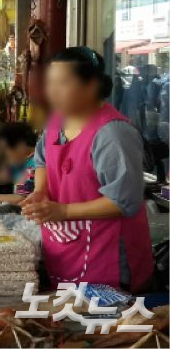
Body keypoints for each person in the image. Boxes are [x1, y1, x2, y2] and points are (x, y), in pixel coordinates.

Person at [21, 47, 154, 293]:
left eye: (63, 83)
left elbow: (124, 201)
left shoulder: (112, 134)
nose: (52, 91)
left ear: (91, 86)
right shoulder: (57, 122)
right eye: (50, 83)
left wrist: (63, 210)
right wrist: (41, 191)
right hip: (66, 247)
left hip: (109, 259)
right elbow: (42, 161)